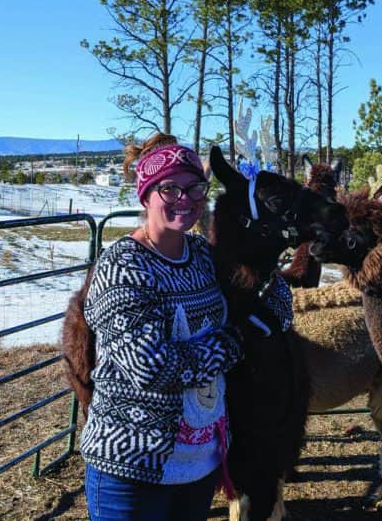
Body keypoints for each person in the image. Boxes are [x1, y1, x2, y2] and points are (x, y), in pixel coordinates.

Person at [79, 134, 246, 520]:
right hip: (131, 468)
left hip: (199, 466)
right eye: (170, 188)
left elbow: (273, 300)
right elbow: (151, 368)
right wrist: (235, 343)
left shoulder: (203, 256)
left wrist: (266, 265)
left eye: (194, 188)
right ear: (146, 194)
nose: (184, 199)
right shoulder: (124, 267)